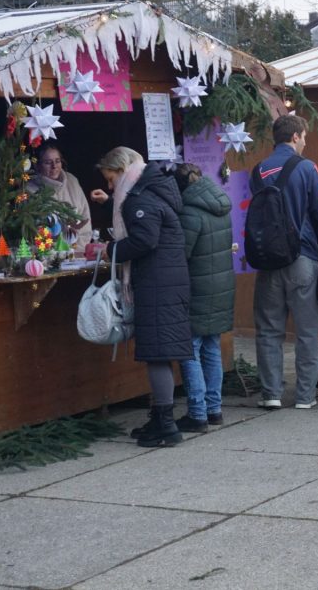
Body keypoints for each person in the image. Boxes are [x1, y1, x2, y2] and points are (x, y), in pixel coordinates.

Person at [94, 147, 192, 448]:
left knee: (157, 355)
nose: (111, 187)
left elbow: (144, 239)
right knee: (157, 352)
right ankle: (160, 417)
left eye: (111, 180)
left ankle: (166, 427)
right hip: (164, 281)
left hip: (157, 283)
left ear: (122, 170)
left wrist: (109, 251)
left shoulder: (141, 198)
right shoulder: (151, 190)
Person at [251, 114, 318, 411]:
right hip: (302, 257)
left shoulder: (259, 170)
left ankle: (271, 393)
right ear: (296, 136)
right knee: (308, 330)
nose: (305, 141)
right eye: (305, 136)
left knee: (268, 329)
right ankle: (304, 396)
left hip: (268, 259)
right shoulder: (307, 167)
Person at [172, 163, 234, 432]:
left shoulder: (189, 212)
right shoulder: (221, 206)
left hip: (196, 287)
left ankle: (197, 412)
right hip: (221, 286)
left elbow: (180, 254)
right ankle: (215, 408)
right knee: (212, 347)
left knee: (190, 348)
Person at [30, 143, 92, 252]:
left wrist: (76, 249)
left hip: (76, 254)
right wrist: (53, 254)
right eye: (48, 162)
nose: (54, 166)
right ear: (38, 165)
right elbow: (30, 230)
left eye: (57, 161)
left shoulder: (72, 181)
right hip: (46, 257)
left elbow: (85, 219)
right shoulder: (29, 190)